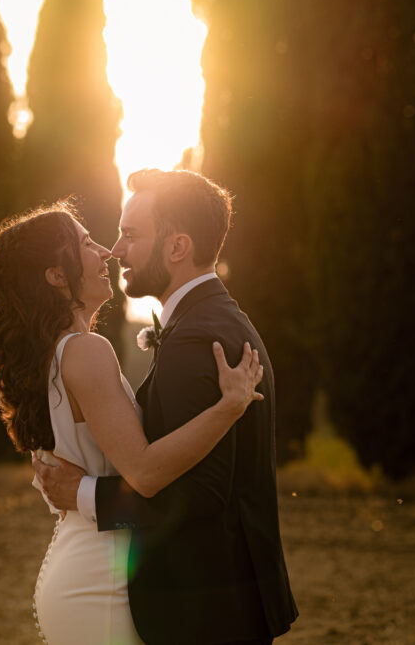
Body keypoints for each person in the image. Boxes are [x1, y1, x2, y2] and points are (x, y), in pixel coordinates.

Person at [0, 198, 265, 645]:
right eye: (87, 243)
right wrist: (228, 407)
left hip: (87, 560)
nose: (107, 252)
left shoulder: (57, 353)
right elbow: (145, 471)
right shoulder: (86, 351)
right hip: (101, 579)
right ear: (56, 275)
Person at [34, 169, 297, 644]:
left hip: (205, 613)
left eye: (130, 235)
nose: (115, 250)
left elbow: (199, 495)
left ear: (177, 247)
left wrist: (85, 495)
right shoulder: (213, 321)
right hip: (224, 604)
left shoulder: (197, 340)